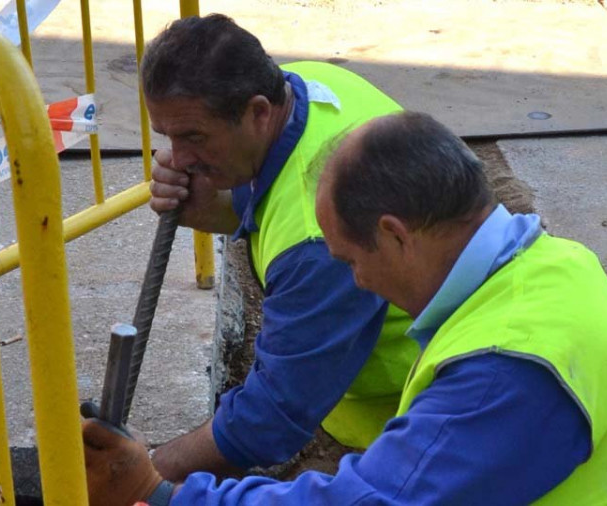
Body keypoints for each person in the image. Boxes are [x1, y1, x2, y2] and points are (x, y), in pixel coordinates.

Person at [82, 111, 607, 505]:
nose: (357, 284)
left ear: (395, 235)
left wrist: (163, 492)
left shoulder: (504, 372)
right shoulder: (550, 262)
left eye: (352, 261)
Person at [141, 13, 420, 482]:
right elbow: (276, 195)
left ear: (257, 112)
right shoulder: (310, 84)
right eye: (167, 136)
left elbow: (268, 423)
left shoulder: (318, 243)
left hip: (407, 424)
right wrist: (218, 208)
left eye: (193, 136)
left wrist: (143, 476)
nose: (177, 157)